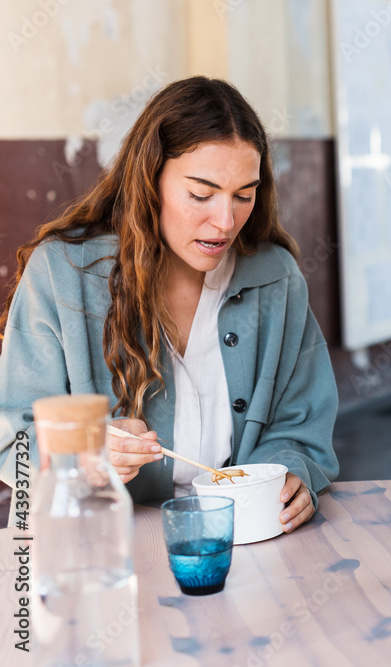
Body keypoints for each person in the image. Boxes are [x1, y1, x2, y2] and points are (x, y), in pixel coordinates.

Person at [0, 76, 339, 533]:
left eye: (244, 195)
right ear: (150, 179)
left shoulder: (276, 278)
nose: (225, 221)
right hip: (103, 546)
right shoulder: (60, 274)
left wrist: (292, 471)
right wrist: (83, 454)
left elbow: (302, 425)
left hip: (246, 541)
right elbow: (13, 444)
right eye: (201, 195)